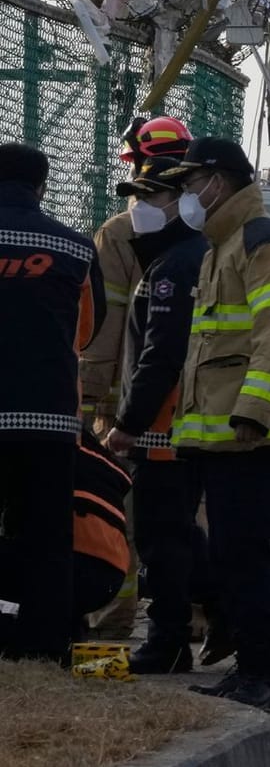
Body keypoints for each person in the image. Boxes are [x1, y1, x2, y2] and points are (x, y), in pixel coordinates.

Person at [160, 137, 270, 709]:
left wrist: (253, 412)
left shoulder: (263, 241)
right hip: (226, 435)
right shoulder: (222, 245)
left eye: (190, 184)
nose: (185, 196)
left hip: (254, 434)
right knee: (233, 551)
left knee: (242, 550)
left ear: (220, 181)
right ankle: (255, 662)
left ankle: (260, 672)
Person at [104, 154, 214, 674]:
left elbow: (161, 357)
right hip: (178, 426)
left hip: (163, 430)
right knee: (183, 534)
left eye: (152, 198)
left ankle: (168, 640)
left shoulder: (173, 267)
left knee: (160, 537)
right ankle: (227, 611)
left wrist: (127, 424)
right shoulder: (183, 257)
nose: (141, 209)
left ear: (182, 204)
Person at [0, 143, 104, 664]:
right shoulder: (76, 247)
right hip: (48, 417)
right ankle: (42, 646)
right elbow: (86, 333)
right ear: (41, 187)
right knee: (45, 534)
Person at [81, 117, 193, 432]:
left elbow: (104, 318)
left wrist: (90, 395)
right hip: (196, 400)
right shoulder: (211, 229)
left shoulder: (119, 231)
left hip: (127, 402)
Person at [0, 430, 130, 644]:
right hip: (109, 577)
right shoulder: (78, 442)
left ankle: (29, 636)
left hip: (62, 568)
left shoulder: (21, 436)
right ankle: (65, 630)